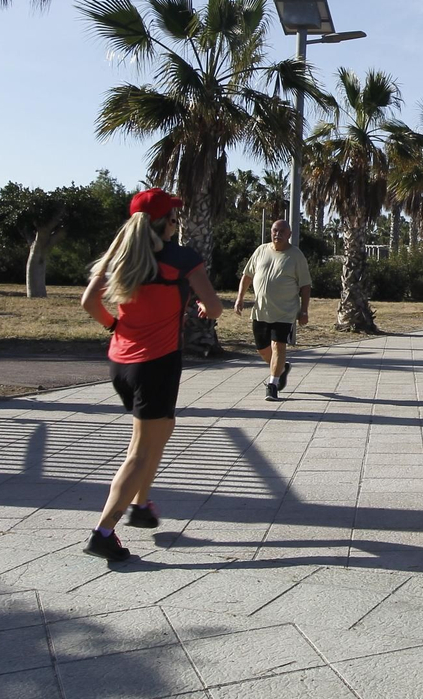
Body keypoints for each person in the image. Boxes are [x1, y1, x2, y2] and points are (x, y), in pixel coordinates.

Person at [80, 187, 222, 564]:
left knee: (162, 428)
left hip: (121, 363)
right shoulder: (181, 258)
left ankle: (141, 506)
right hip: (157, 364)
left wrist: (114, 325)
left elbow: (88, 302)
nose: (177, 222)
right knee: (139, 453)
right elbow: (214, 307)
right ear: (166, 223)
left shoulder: (121, 255)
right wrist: (204, 310)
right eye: (174, 217)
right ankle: (103, 532)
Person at [235, 219, 311, 401]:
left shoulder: (296, 255)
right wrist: (239, 298)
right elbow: (247, 276)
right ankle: (281, 368)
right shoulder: (261, 250)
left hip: (285, 311)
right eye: (275, 230)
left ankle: (272, 385)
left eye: (282, 231)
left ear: (289, 234)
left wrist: (304, 310)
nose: (278, 234)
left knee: (278, 345)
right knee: (262, 349)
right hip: (261, 310)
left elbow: (306, 285)